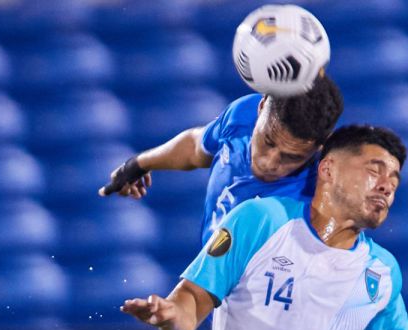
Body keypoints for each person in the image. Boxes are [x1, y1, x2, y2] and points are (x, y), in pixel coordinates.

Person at [121, 125, 408, 330]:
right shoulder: (260, 220)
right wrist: (168, 314)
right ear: (328, 168)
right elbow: (192, 302)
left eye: (394, 178)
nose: (387, 185)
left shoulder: (380, 270)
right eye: (374, 170)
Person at [99, 75, 344, 243]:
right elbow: (196, 147)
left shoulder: (322, 197)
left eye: (292, 157)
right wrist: (138, 165)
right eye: (268, 141)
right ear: (262, 106)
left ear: (318, 148)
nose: (270, 162)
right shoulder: (242, 115)